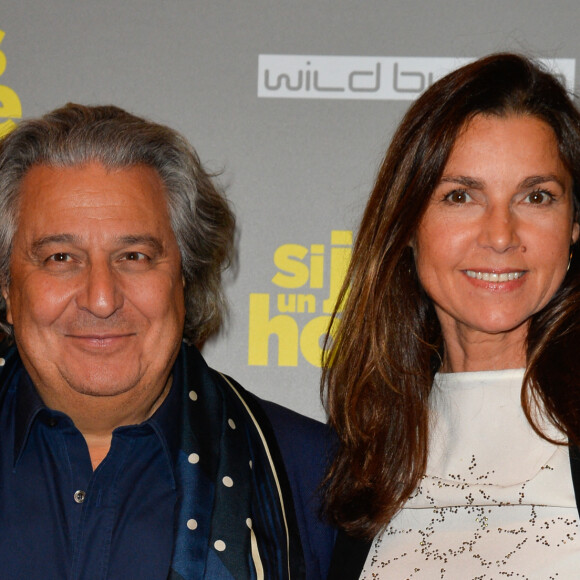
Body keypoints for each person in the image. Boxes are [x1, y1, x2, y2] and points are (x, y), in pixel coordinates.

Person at [0, 103, 335, 579]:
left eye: (134, 256)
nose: (101, 298)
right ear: (7, 288)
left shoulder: (315, 479)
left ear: (184, 278)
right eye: (60, 257)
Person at [322, 53, 580, 578]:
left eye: (537, 196)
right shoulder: (359, 464)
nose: (501, 235)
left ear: (575, 225)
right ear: (409, 223)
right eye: (461, 196)